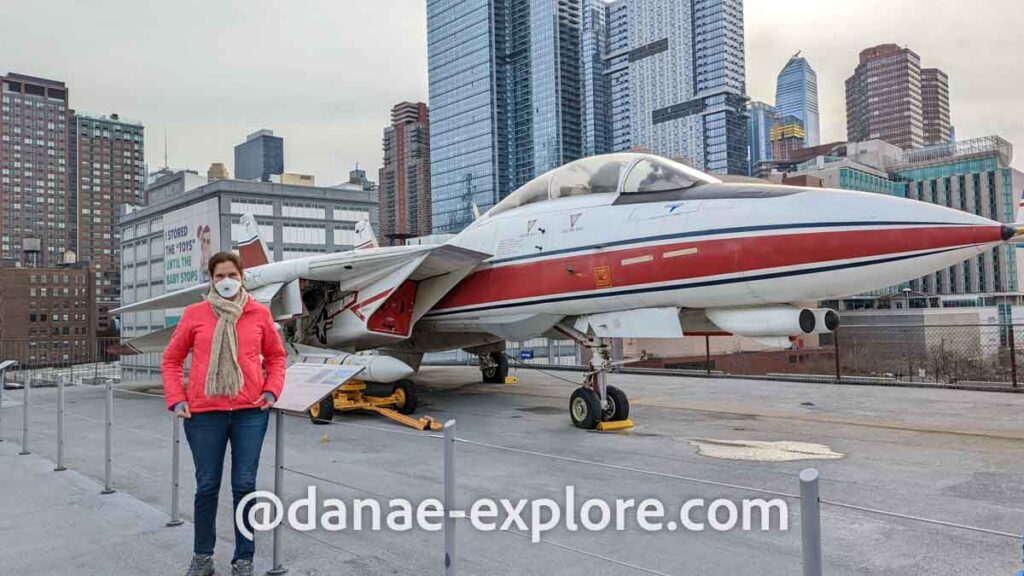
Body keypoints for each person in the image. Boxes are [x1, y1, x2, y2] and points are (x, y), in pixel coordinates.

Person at [162, 252, 287, 576]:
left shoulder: (259, 314)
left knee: (245, 485)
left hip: (249, 412)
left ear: (242, 276)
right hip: (204, 414)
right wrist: (177, 399)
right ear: (211, 279)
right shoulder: (195, 314)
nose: (226, 281)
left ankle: (243, 558)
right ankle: (203, 557)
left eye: (231, 274)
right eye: (219, 276)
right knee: (207, 485)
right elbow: (171, 360)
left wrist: (272, 391)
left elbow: (275, 357)